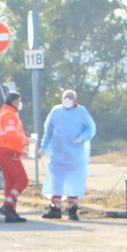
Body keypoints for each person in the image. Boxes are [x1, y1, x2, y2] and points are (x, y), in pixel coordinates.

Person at [40, 90, 95, 220]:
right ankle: (55, 209)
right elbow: (48, 131)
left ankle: (72, 210)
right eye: (65, 97)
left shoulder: (81, 112)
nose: (67, 100)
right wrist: (44, 147)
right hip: (57, 155)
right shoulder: (56, 112)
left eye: (70, 98)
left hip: (75, 156)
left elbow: (90, 128)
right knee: (56, 183)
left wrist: (82, 137)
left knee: (74, 183)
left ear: (75, 100)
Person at [0, 91, 29, 223]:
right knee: (22, 180)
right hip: (7, 151)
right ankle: (8, 205)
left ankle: (10, 210)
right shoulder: (9, 115)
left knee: (11, 182)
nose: (20, 104)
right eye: (19, 101)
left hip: (5, 150)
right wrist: (28, 141)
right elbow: (12, 135)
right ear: (15, 102)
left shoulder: (4, 113)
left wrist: (20, 149)